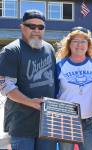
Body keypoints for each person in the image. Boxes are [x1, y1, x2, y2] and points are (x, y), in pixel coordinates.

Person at [0, 9, 57, 150]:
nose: (36, 30)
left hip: (47, 123)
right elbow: (5, 85)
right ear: (22, 27)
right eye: (31, 26)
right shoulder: (12, 51)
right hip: (21, 124)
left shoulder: (49, 49)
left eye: (41, 27)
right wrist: (29, 102)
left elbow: (54, 80)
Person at [56, 26, 92, 150]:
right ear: (69, 44)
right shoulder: (59, 65)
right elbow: (53, 93)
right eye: (75, 41)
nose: (79, 45)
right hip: (66, 121)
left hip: (88, 121)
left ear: (88, 44)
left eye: (83, 41)